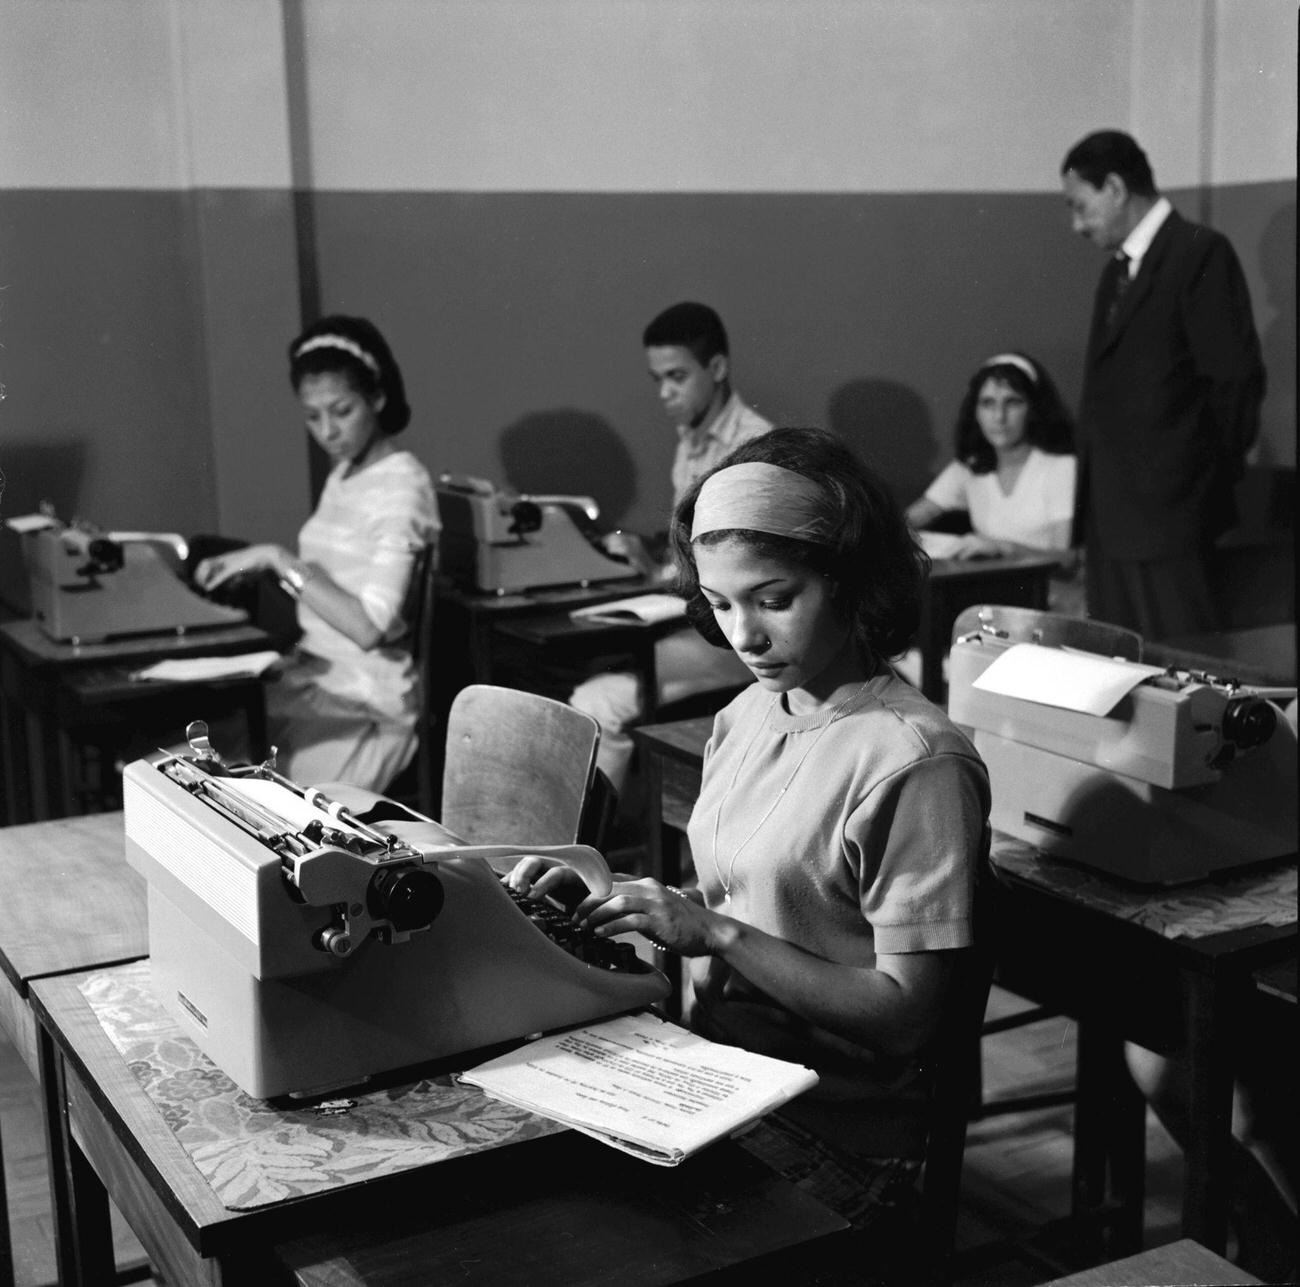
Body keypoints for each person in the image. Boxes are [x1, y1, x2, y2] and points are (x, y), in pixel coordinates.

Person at [512, 427, 990, 1237]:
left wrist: (717, 933)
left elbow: (908, 1014)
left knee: (579, 1234)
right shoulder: (748, 712)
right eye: (722, 603)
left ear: (849, 579)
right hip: (723, 1071)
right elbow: (755, 891)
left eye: (774, 599)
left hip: (837, 1129)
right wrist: (613, 899)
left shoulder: (914, 760)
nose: (745, 635)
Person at [195, 315, 438, 791]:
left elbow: (369, 628)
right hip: (310, 679)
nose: (327, 432)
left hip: (365, 701)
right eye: (312, 416)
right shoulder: (345, 473)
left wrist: (276, 559)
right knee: (184, 770)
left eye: (342, 411)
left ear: (377, 398)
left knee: (249, 803)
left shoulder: (403, 486)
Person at [1061, 129, 1265, 640]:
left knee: (1187, 660)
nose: (1077, 225)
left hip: (1172, 524)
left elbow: (1235, 386)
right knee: (1120, 665)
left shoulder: (1199, 253)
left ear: (1115, 188)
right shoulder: (1116, 274)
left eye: (1080, 206)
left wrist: (1191, 493)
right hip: (1112, 526)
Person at [570, 302, 773, 792]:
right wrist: (651, 562)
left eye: (677, 377)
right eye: (657, 379)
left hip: (734, 635)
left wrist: (658, 572)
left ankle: (592, 834)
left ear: (717, 368)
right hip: (695, 622)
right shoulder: (690, 442)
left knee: (598, 702)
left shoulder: (754, 447)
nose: (665, 393)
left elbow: (737, 569)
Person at [906, 351, 1077, 560]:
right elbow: (911, 518)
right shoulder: (970, 466)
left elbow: (1067, 559)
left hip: (1047, 581)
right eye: (988, 403)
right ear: (975, 412)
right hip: (989, 579)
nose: (999, 416)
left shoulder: (1061, 467)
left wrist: (1003, 548)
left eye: (1012, 402)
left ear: (1034, 408)